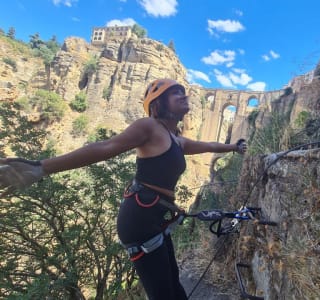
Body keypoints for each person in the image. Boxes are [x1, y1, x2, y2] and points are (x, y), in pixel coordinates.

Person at [0, 78, 247, 300]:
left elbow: (208, 145)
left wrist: (234, 147)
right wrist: (42, 167)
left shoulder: (176, 140)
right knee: (163, 294)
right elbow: (106, 147)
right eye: (176, 93)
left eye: (184, 92)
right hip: (139, 219)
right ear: (158, 104)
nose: (184, 96)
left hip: (156, 216)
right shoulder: (148, 127)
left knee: (174, 285)